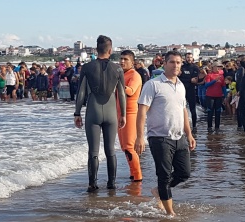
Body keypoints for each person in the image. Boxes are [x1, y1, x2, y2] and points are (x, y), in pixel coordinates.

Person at [135, 50, 196, 216]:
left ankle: (159, 191)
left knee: (184, 173)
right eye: (172, 62)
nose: (175, 65)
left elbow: (183, 111)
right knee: (164, 175)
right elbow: (141, 111)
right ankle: (170, 213)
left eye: (178, 62)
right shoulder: (153, 84)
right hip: (159, 137)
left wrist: (189, 133)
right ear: (164, 64)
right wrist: (140, 137)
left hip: (179, 136)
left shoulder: (181, 85)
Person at [74, 35, 126, 192]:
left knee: (93, 151)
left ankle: (93, 184)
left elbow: (81, 92)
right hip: (111, 114)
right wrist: (123, 114)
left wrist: (77, 113)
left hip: (93, 112)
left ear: (96, 50)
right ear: (110, 50)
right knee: (110, 150)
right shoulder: (117, 69)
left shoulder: (88, 68)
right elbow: (122, 94)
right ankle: (111, 183)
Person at [117, 50, 143, 182]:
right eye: (121, 59)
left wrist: (116, 83)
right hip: (119, 114)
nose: (122, 61)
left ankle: (138, 176)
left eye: (125, 59)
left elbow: (130, 91)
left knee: (129, 147)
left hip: (131, 114)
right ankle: (133, 174)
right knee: (124, 147)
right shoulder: (122, 74)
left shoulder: (135, 75)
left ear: (132, 62)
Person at [179, 52, 199, 133]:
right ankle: (181, 125)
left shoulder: (195, 67)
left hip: (191, 90)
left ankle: (194, 126)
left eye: (190, 57)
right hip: (182, 91)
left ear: (192, 58)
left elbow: (195, 80)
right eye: (187, 57)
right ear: (185, 58)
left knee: (192, 109)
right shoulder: (182, 67)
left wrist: (191, 80)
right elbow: (179, 78)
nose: (189, 59)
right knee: (180, 109)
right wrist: (189, 80)